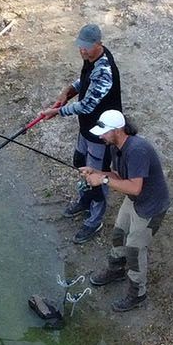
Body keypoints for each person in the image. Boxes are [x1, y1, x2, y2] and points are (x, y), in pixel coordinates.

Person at [26, 23, 123, 244]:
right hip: (86, 128)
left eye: (87, 47)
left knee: (98, 176)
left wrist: (57, 111)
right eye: (81, 46)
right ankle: (85, 199)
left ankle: (94, 220)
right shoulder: (91, 59)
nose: (82, 50)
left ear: (99, 44)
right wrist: (66, 92)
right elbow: (84, 81)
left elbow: (87, 106)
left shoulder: (105, 71)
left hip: (101, 135)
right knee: (80, 162)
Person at [79, 110, 168, 312]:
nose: (100, 136)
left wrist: (102, 180)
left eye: (104, 132)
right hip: (134, 200)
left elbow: (135, 186)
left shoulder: (137, 150)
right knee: (119, 234)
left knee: (135, 250)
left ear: (118, 130)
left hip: (150, 206)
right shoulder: (116, 146)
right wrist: (98, 172)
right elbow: (119, 175)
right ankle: (116, 269)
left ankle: (138, 293)